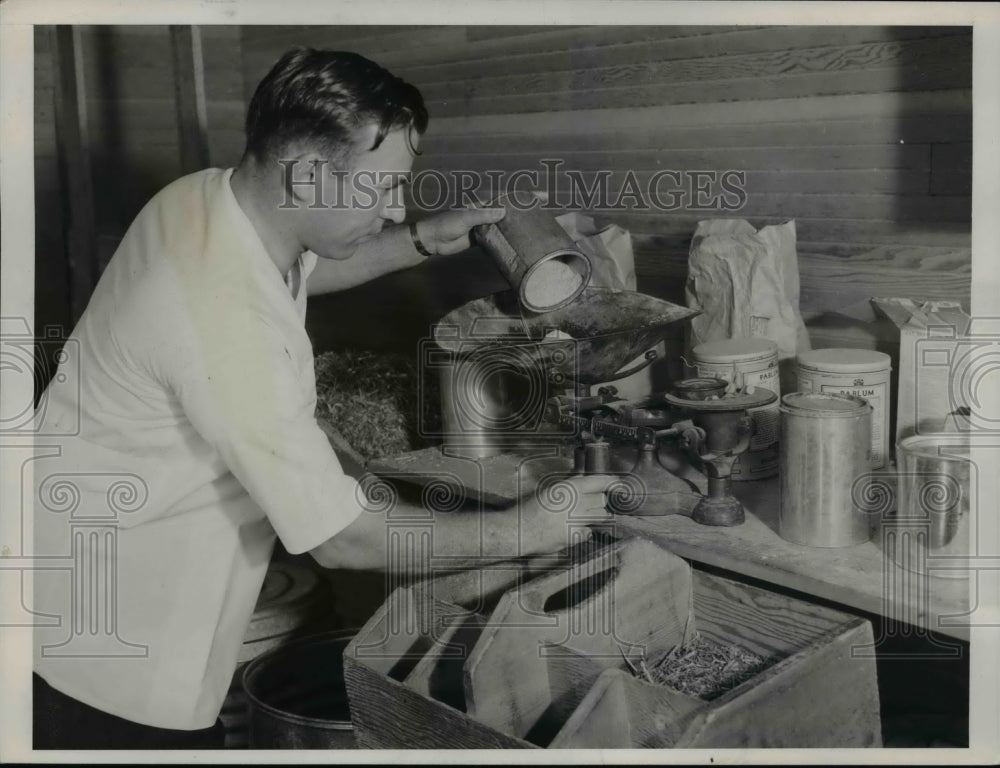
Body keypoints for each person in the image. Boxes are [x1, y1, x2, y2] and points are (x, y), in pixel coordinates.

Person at [31, 48, 612, 750]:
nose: (396, 206)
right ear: (307, 175)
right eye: (382, 189)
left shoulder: (207, 202)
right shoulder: (223, 321)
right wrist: (530, 528)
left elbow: (299, 267)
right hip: (102, 650)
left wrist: (423, 241)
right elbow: (343, 540)